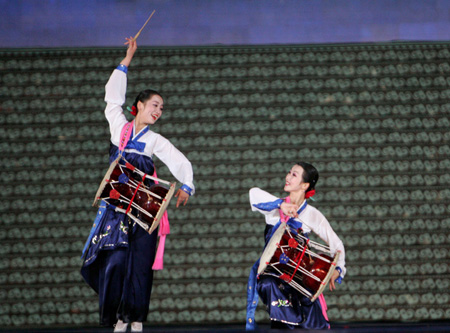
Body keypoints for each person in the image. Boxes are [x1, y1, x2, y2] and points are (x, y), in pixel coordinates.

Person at [80, 37, 195, 332]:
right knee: (116, 260)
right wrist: (127, 59)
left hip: (145, 208)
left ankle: (137, 319)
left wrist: (186, 185)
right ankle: (118, 316)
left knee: (141, 263)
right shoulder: (119, 128)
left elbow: (179, 161)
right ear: (139, 105)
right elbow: (112, 99)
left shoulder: (154, 140)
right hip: (118, 206)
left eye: (162, 108)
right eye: (154, 105)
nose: (158, 111)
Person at [246, 162, 346, 330]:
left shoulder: (312, 214)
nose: (287, 177)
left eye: (294, 175)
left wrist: (339, 268)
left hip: (299, 280)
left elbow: (336, 244)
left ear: (305, 185)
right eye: (289, 172)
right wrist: (281, 205)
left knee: (312, 323)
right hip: (275, 278)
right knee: (267, 285)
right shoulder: (274, 208)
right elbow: (253, 193)